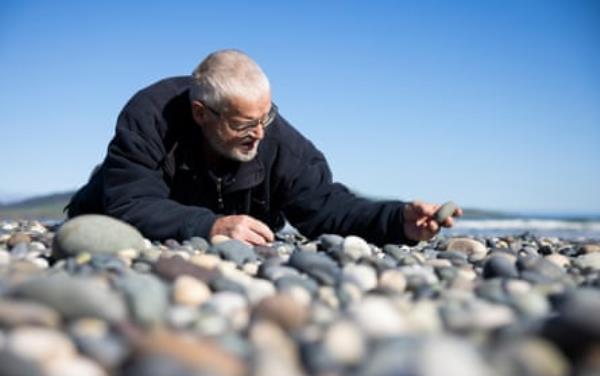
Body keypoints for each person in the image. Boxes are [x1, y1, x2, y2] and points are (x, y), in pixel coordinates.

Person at [67, 49, 462, 246]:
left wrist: (396, 220)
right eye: (244, 124)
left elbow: (326, 206)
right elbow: (132, 202)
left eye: (265, 117)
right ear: (201, 113)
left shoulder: (280, 142)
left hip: (226, 214)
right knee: (90, 215)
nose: (259, 133)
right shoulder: (149, 116)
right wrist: (211, 227)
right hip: (118, 202)